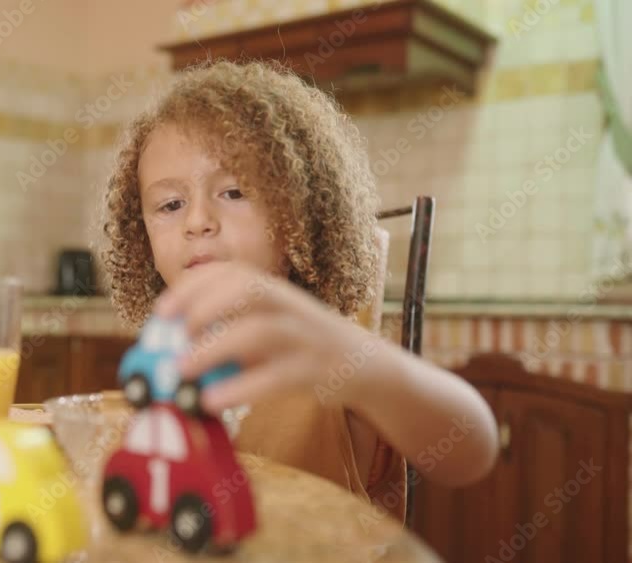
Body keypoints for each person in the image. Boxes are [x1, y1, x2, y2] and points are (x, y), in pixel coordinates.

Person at [98, 59, 498, 523]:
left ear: (299, 213)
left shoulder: (324, 350)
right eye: (170, 204)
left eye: (234, 192)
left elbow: (472, 446)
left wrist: (354, 358)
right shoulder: (171, 354)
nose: (198, 221)